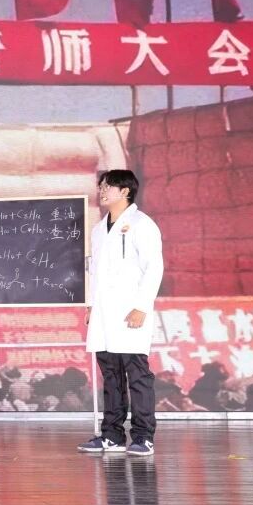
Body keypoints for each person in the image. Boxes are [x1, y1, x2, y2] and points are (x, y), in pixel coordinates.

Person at [79, 170, 164, 457]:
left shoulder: (142, 224)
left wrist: (141, 306)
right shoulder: (98, 229)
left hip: (130, 312)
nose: (102, 191)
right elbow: (94, 272)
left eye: (108, 187)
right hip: (104, 314)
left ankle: (143, 436)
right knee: (111, 376)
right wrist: (91, 304)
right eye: (101, 186)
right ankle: (112, 435)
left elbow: (154, 267)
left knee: (137, 375)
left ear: (125, 191)